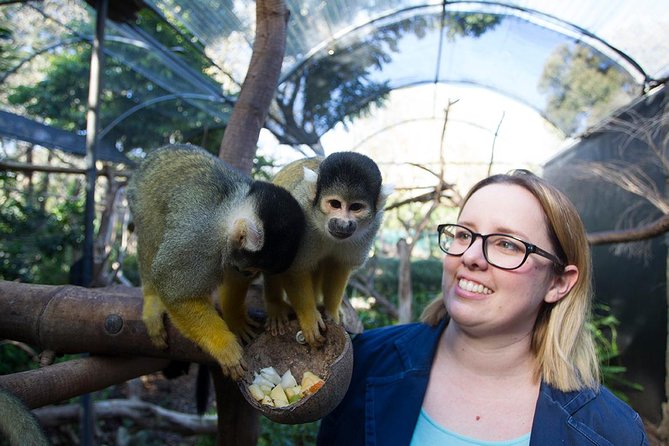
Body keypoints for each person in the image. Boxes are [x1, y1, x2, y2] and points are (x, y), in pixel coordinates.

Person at [317, 169, 649, 445]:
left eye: (506, 244)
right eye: (464, 234)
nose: (471, 257)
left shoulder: (612, 433)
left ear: (558, 282)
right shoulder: (360, 365)